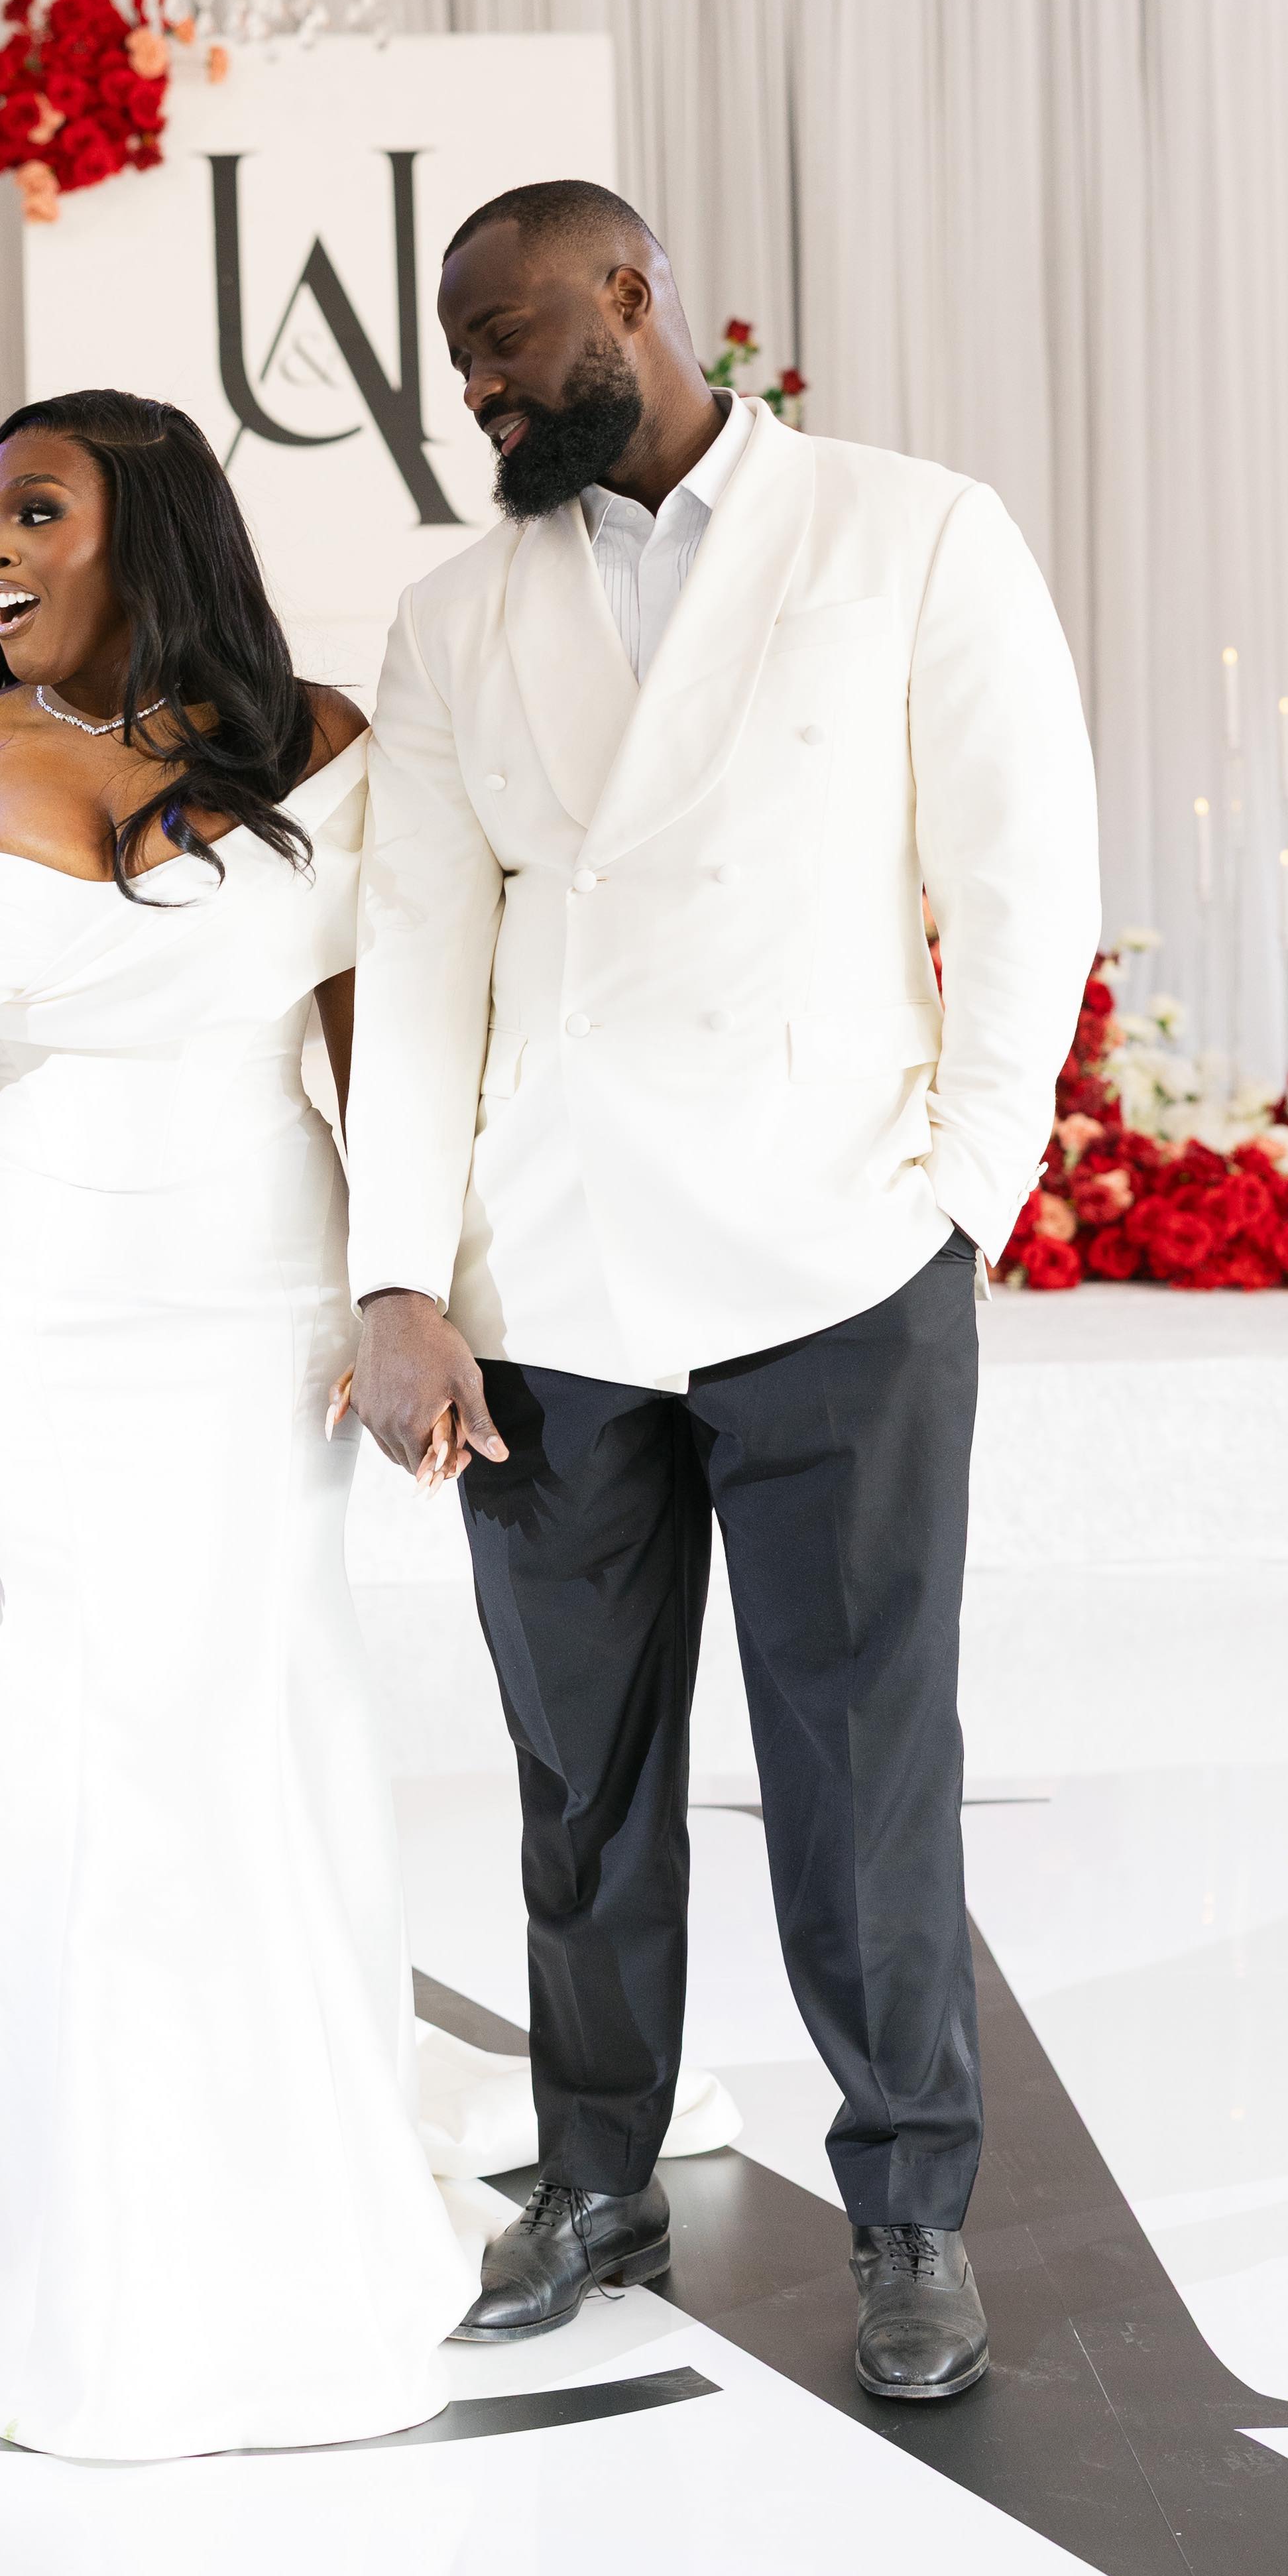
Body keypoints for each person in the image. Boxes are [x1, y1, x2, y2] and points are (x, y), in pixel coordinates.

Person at [346, 182, 1100, 2401]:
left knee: (865, 1762)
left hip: (834, 1261)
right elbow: (417, 950)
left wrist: (959, 1192)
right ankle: (596, 2180)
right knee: (576, 1775)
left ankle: (908, 2216)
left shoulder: (910, 533)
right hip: (550, 1279)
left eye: (501, 339)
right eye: (458, 357)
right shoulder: (458, 612)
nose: (474, 385)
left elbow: (1023, 874)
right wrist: (401, 1271)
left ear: (631, 298)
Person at [0, 390, 473, 2461]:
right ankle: (69, 2234)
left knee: (248, 1711)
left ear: (150, 529)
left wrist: (409, 1300)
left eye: (38, 508)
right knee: (80, 1725)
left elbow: (388, 1061)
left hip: (254, 1308)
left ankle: (290, 2199)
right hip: (26, 1318)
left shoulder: (323, 742)